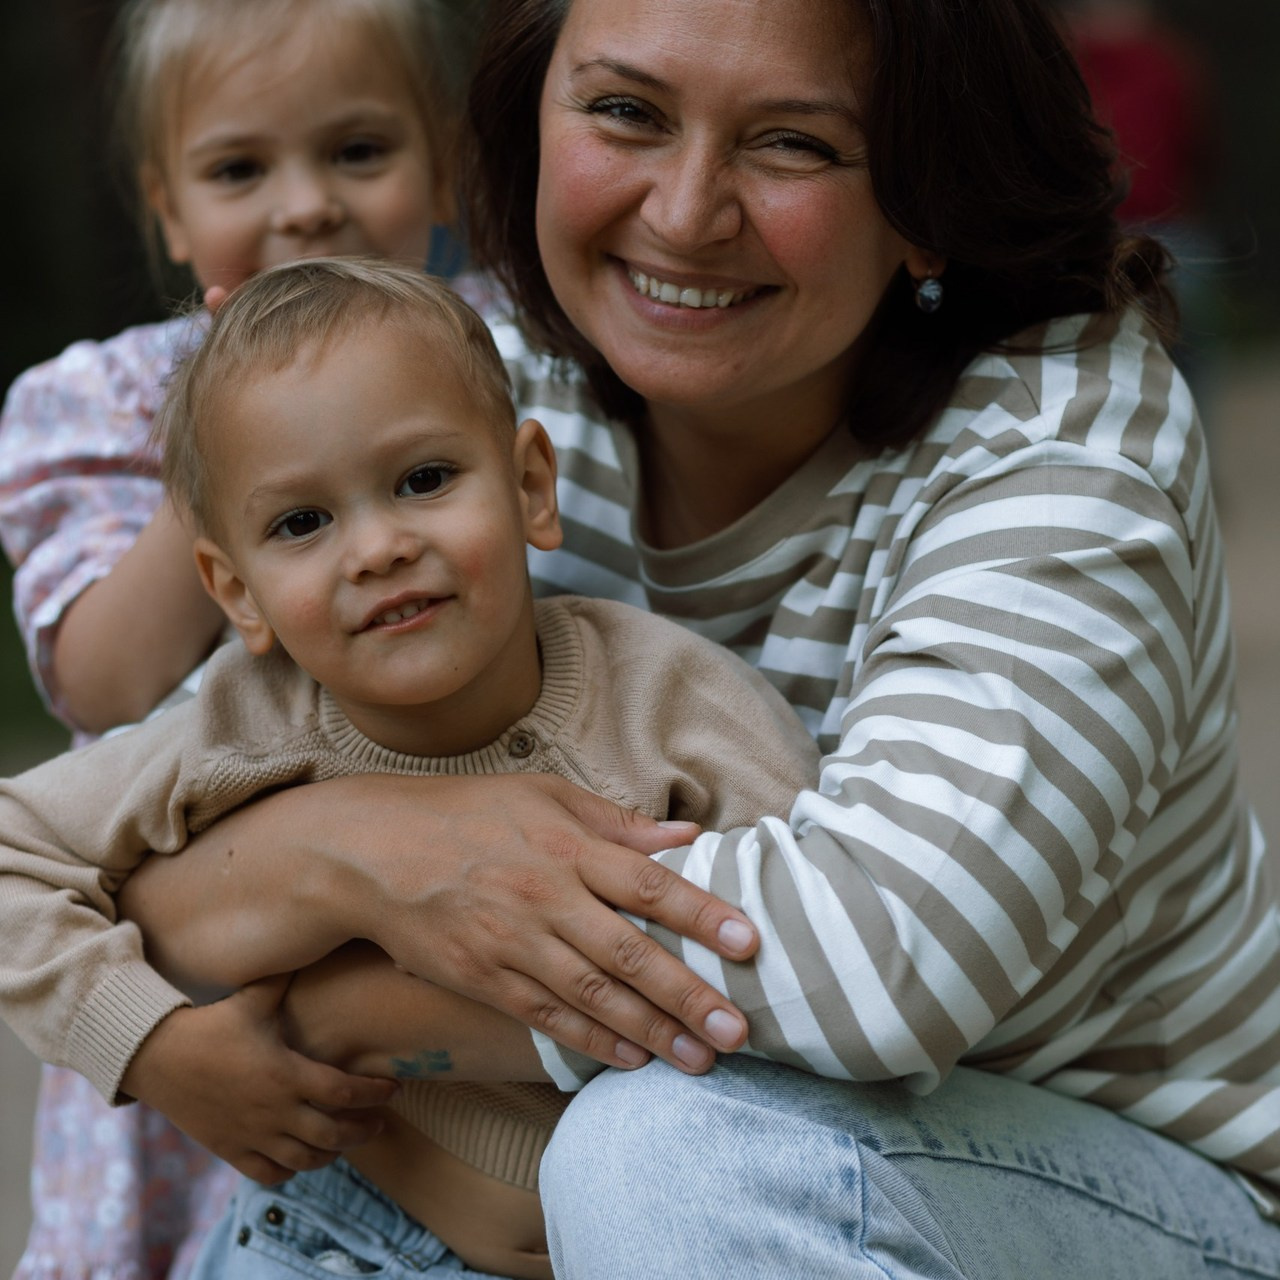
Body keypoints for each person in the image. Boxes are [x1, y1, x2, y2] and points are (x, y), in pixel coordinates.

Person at [36, 0, 1280, 1274]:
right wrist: (353, 857)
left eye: (791, 142)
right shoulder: (462, 407)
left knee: (663, 1156)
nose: (683, 215)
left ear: (924, 191)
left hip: (1123, 1182)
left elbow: (879, 963)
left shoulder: (1059, 451)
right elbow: (133, 826)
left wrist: (335, 1005)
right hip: (722, 1163)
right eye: (626, 111)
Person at [0, 257, 820, 1280]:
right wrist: (153, 1045)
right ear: (237, 591)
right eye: (302, 523)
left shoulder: (673, 707)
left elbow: (825, 934)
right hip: (327, 1236)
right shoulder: (243, 724)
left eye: (423, 480)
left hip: (648, 1227)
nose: (378, 548)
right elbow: (14, 853)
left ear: (530, 486)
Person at [0, 0, 465, 1272]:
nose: (305, 206)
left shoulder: (503, 365)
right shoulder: (97, 402)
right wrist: (227, 433)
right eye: (239, 169)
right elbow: (103, 678)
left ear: (442, 166)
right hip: (192, 1006)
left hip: (423, 990)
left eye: (358, 151)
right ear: (167, 208)